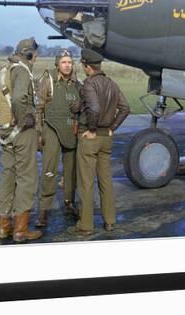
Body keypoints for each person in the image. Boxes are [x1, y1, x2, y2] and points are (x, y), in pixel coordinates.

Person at [0, 37, 43, 243]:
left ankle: (3, 226)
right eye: (34, 54)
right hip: (22, 132)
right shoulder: (22, 71)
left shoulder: (3, 70)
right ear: (29, 54)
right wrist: (23, 118)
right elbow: (18, 99)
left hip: (5, 132)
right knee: (27, 178)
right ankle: (20, 230)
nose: (35, 58)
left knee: (8, 176)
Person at [68, 49, 130, 236]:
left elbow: (94, 108)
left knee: (86, 183)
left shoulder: (89, 83)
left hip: (91, 138)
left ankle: (85, 225)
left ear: (88, 66)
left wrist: (92, 130)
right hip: (107, 139)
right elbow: (125, 108)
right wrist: (112, 128)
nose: (83, 69)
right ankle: (110, 221)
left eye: (83, 65)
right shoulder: (111, 83)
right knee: (106, 181)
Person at [34, 49, 82, 228]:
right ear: (57, 64)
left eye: (70, 62)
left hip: (71, 130)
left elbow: (82, 109)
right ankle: (43, 211)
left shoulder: (78, 84)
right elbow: (38, 108)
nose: (67, 65)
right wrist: (39, 133)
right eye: (64, 62)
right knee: (49, 171)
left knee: (71, 171)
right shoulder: (48, 81)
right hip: (51, 129)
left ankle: (69, 203)